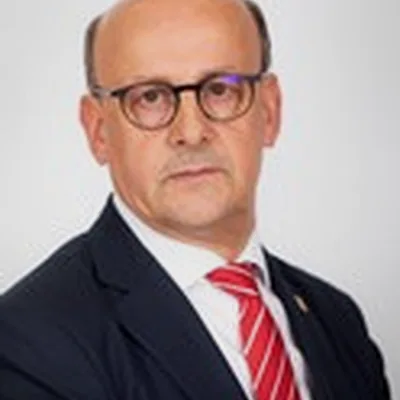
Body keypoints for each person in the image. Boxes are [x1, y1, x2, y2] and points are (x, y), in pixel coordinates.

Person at [0, 0, 391, 398]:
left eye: (220, 89)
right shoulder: (28, 342)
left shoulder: (338, 321)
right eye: (149, 97)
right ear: (98, 131)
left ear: (269, 112)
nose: (191, 132)